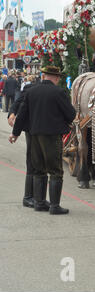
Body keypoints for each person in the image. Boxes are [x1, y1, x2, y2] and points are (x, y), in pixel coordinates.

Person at [9, 66, 76, 215]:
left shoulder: (31, 91)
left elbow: (23, 114)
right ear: (56, 77)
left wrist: (15, 133)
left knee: (38, 169)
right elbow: (71, 114)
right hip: (52, 136)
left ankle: (39, 203)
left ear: (44, 76)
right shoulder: (59, 92)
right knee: (55, 171)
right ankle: (54, 206)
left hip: (34, 135)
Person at [7, 75, 44, 208]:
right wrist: (12, 113)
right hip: (32, 129)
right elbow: (18, 104)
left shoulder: (57, 89)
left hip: (47, 131)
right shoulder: (30, 88)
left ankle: (39, 198)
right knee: (32, 161)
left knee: (41, 164)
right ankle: (28, 196)